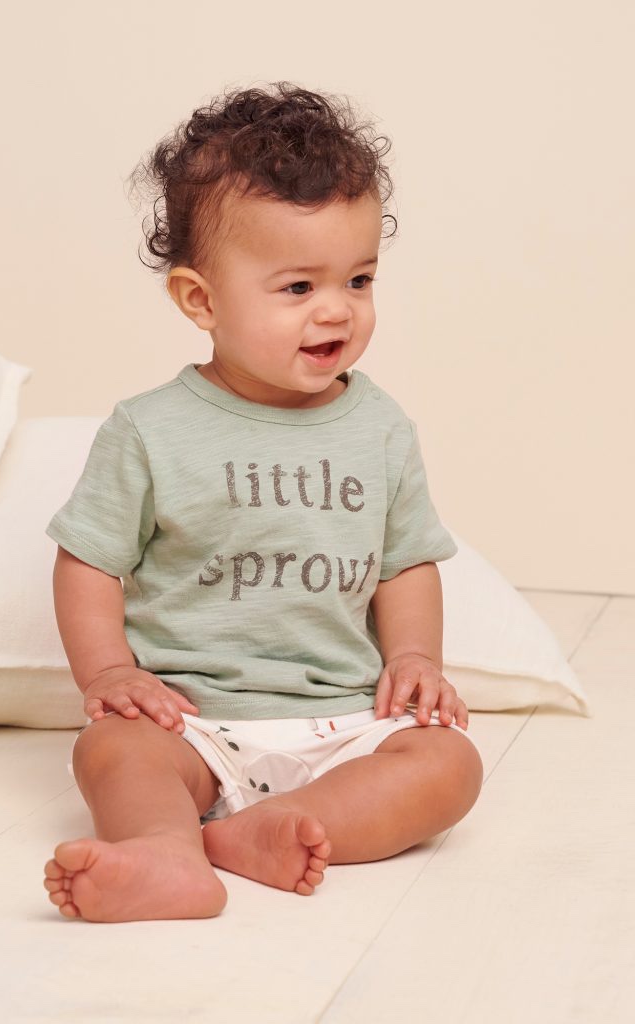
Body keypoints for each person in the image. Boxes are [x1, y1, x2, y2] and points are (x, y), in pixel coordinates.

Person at [42, 82, 483, 923]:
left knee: (449, 765)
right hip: (192, 722)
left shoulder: (381, 428)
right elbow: (88, 560)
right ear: (200, 300)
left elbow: (405, 562)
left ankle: (276, 827)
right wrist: (110, 673)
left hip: (344, 719)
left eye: (359, 279)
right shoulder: (151, 429)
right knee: (111, 750)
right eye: (297, 288)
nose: (337, 309)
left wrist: (414, 657)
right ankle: (167, 855)